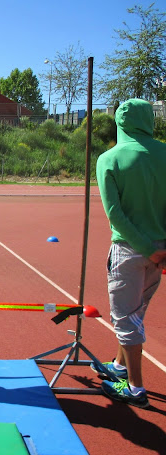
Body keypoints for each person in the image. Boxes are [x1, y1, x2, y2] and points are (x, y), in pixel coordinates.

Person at [91, 98, 166, 408]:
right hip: (159, 251)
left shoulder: (110, 159)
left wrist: (147, 248)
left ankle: (135, 389)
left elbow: (115, 214)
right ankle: (120, 366)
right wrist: (159, 250)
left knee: (125, 319)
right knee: (137, 313)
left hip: (129, 250)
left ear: (120, 123)